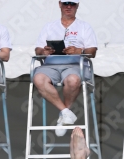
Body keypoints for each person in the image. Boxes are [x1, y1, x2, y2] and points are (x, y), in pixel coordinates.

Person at [33, 0, 97, 136]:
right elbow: (38, 48)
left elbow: (92, 52)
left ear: (77, 6)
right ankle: (65, 112)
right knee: (38, 78)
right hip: (51, 64)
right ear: (59, 4)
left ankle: (63, 118)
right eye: (65, 3)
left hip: (74, 64)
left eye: (72, 4)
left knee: (73, 80)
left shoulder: (84, 26)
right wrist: (43, 52)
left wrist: (78, 51)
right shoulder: (49, 26)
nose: (68, 6)